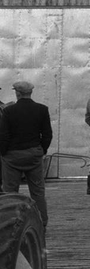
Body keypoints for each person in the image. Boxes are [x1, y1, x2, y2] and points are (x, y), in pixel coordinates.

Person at [0, 79, 53, 228]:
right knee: (37, 192)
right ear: (30, 92)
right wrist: (42, 150)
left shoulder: (8, 111)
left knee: (11, 193)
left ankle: (11, 226)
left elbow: (3, 136)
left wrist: (3, 153)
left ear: (17, 93)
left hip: (12, 156)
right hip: (34, 155)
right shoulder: (42, 109)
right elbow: (47, 134)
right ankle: (42, 223)